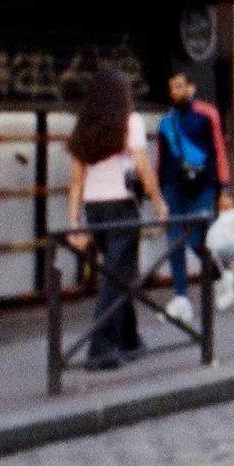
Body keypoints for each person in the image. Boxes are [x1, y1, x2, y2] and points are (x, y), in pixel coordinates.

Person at [64, 69, 165, 370]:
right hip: (121, 206)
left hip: (94, 209)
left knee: (118, 274)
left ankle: (129, 339)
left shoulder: (83, 126)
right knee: (117, 277)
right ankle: (100, 347)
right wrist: (159, 202)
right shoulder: (129, 122)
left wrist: (74, 223)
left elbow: (75, 180)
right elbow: (144, 166)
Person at [154, 70, 232, 318]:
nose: (175, 91)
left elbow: (219, 150)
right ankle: (180, 298)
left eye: (179, 86)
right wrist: (158, 194)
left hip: (202, 187)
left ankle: (222, 274)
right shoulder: (165, 122)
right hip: (172, 188)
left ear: (191, 87)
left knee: (199, 240)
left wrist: (224, 188)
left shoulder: (207, 114)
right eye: (171, 87)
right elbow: (161, 159)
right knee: (175, 240)